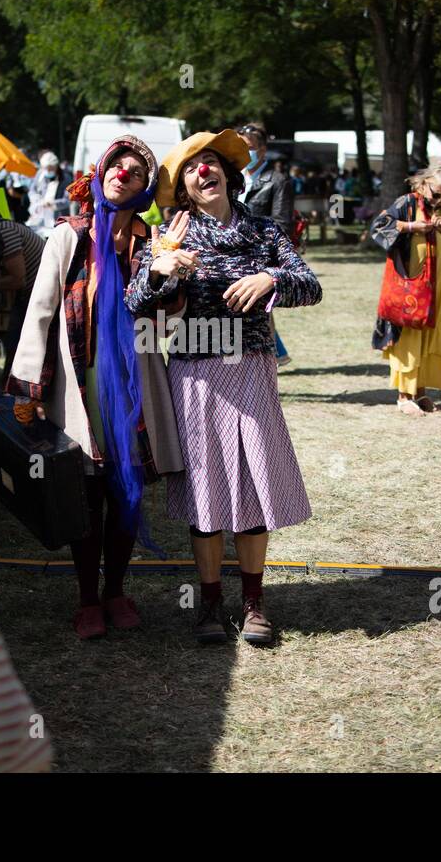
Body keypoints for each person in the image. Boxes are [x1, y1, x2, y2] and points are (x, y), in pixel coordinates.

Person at [126, 130, 322, 646]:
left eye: (210, 163)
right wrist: (159, 272)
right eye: (191, 169)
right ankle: (209, 605)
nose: (202, 171)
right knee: (207, 488)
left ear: (229, 176)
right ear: (185, 188)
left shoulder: (262, 231)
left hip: (250, 367)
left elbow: (311, 285)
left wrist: (272, 281)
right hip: (193, 373)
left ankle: (254, 604)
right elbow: (134, 303)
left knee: (254, 483)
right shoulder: (171, 233)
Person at [6, 137, 184, 640]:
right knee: (85, 495)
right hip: (78, 389)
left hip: (134, 388)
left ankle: (116, 592)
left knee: (125, 492)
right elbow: (39, 312)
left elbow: (169, 323)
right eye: (117, 165)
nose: (123, 173)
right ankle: (87, 597)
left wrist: (172, 281)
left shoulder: (155, 243)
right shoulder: (70, 238)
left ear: (144, 188)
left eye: (135, 171)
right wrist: (28, 390)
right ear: (102, 170)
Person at [369, 162, 441, 415]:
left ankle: (421, 393)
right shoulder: (407, 203)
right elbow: (377, 227)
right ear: (424, 183)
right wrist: (411, 227)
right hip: (411, 285)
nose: (438, 199)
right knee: (410, 334)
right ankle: (404, 396)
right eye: (435, 193)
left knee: (432, 334)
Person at [236, 123, 296, 368]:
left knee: (260, 309)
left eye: (248, 148)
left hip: (260, 257)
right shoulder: (232, 178)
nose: (244, 153)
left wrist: (264, 255)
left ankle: (268, 360)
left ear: (262, 151)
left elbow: (282, 222)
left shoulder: (278, 181)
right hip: (233, 254)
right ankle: (268, 356)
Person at [0, 212, 46, 372]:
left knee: (18, 343)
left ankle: (13, 385)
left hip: (38, 296)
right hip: (32, 294)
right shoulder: (2, 228)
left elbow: (17, 279)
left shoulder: (4, 231)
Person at [26, 150, 68, 236]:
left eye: (51, 168)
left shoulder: (66, 178)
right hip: (40, 216)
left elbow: (67, 200)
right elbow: (32, 190)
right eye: (46, 168)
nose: (48, 171)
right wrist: (36, 199)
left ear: (56, 166)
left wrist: (52, 204)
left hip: (57, 217)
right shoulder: (40, 174)